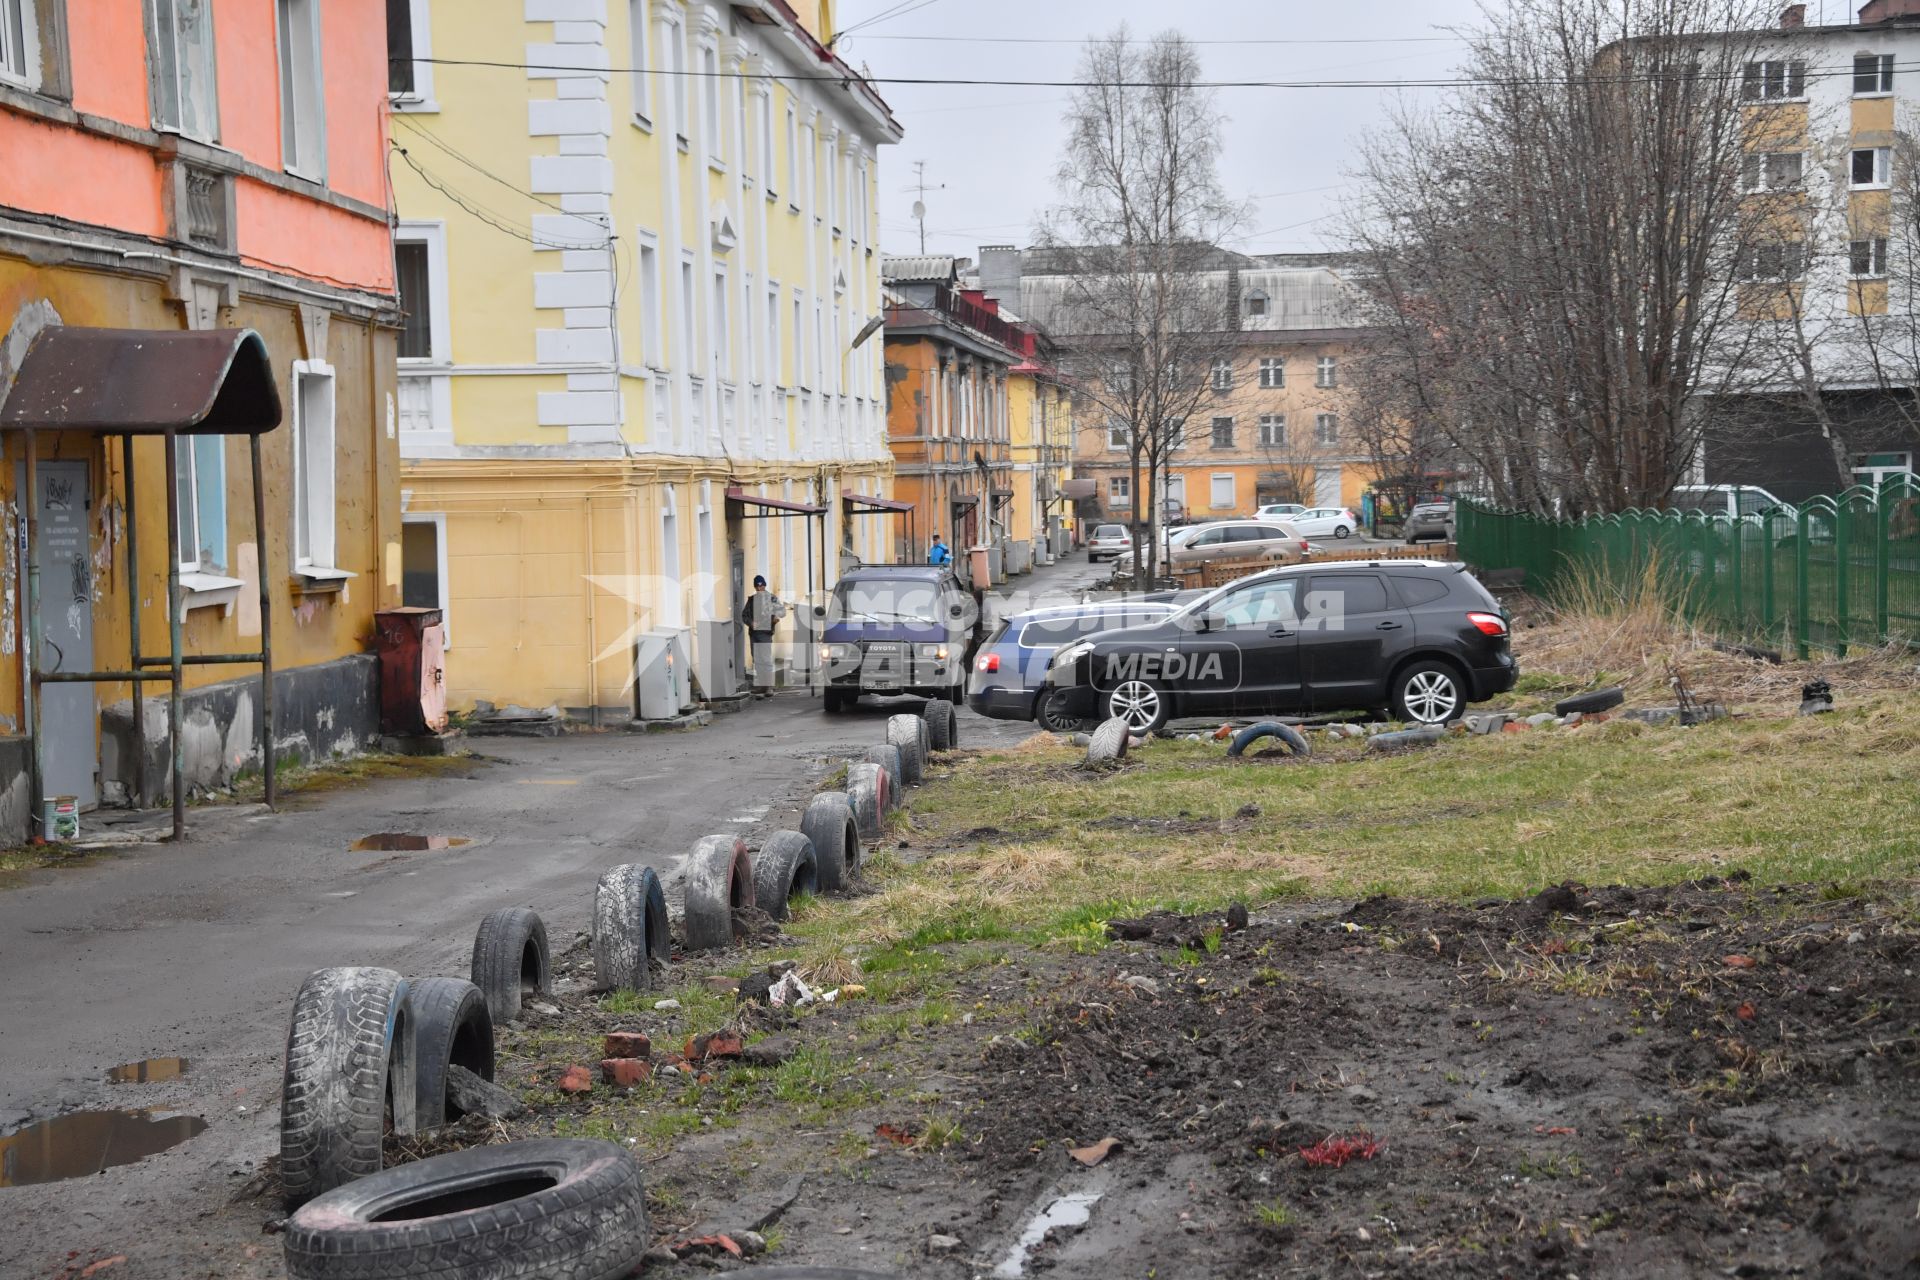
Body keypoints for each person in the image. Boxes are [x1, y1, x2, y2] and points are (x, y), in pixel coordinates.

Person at [739, 574, 787, 698]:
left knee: (765, 660)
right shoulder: (751, 600)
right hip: (754, 633)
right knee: (757, 660)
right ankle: (762, 685)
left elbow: (782, 611)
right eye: (757, 586)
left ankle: (769, 687)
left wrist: (776, 616)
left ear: (764, 585)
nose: (759, 588)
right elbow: (744, 615)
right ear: (755, 587)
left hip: (765, 633)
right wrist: (751, 623)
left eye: (761, 585)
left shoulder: (772, 598)